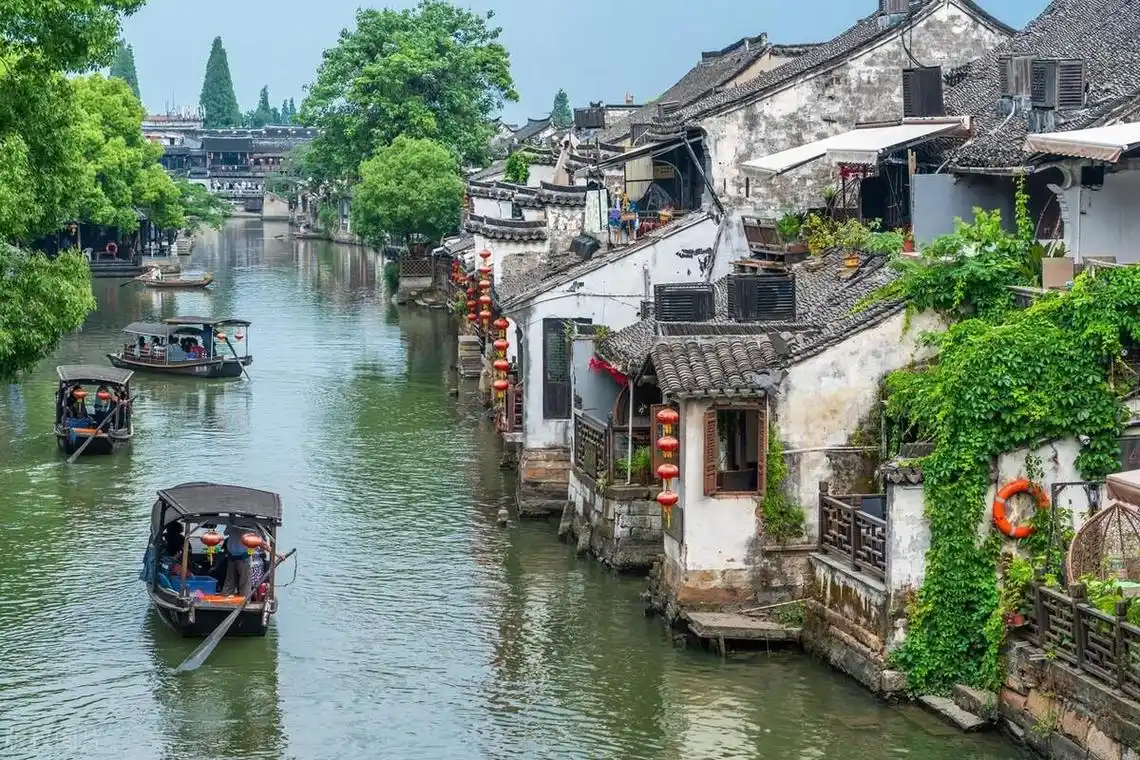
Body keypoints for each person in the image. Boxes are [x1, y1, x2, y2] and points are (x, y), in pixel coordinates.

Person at [221, 522, 256, 596]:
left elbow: (225, 533)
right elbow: (257, 538)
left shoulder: (232, 522)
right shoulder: (251, 524)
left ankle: (226, 597)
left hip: (233, 555)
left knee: (230, 581)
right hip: (243, 557)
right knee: (244, 582)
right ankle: (244, 601)